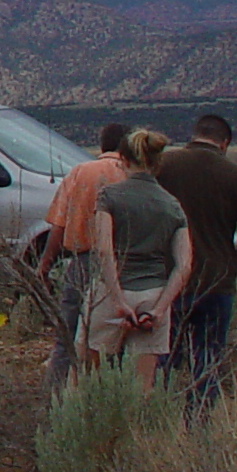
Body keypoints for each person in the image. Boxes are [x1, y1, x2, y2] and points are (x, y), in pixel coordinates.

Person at [155, 113, 237, 405]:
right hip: (216, 282)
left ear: (193, 135)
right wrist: (233, 263)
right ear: (225, 142)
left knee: (163, 356)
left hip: (169, 279)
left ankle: (156, 418)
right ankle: (200, 422)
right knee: (207, 359)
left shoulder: (163, 166)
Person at [88, 128, 194, 390]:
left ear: (122, 159)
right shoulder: (172, 205)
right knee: (143, 387)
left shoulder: (109, 197)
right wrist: (159, 310)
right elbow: (184, 265)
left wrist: (118, 300)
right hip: (153, 294)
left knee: (88, 379)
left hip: (109, 294)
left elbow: (104, 249)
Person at [34, 122, 129, 390]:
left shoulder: (81, 172)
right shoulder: (134, 174)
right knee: (116, 340)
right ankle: (110, 396)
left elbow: (59, 224)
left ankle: (57, 399)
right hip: (125, 266)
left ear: (102, 145)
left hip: (83, 262)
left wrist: (45, 264)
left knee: (67, 337)